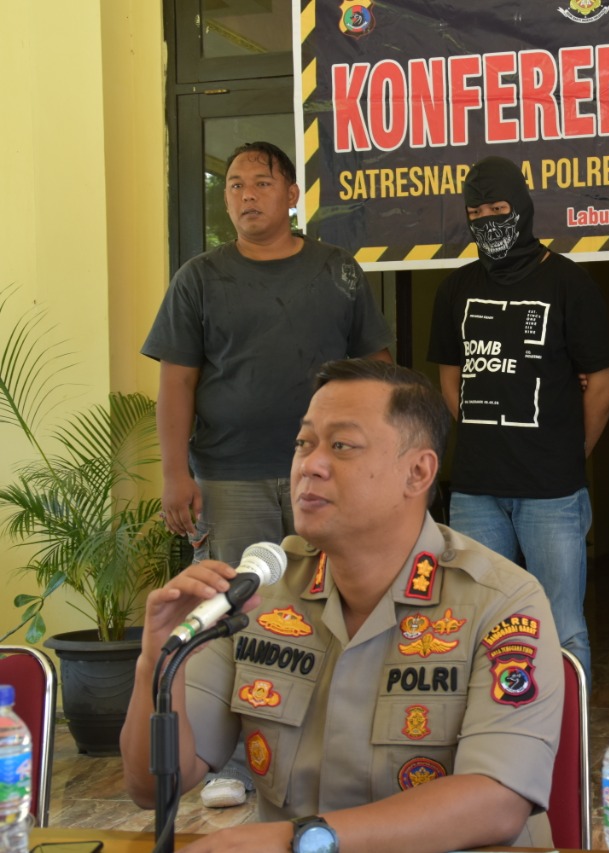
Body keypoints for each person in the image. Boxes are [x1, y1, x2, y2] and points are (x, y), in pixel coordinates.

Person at [120, 358, 565, 852]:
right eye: (303, 443)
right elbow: (151, 787)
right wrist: (157, 664)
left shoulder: (500, 602)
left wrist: (300, 841)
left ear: (417, 472)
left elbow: (495, 802)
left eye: (341, 446)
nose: (309, 464)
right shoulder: (263, 590)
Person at [141, 140, 393, 807]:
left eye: (259, 182)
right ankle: (232, 756)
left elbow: (377, 368)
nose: (245, 194)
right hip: (228, 475)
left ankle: (334, 746)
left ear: (290, 195)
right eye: (233, 184)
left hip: (328, 477)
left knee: (335, 608)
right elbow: (177, 380)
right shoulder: (200, 276)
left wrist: (373, 466)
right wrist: (175, 472)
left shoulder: (338, 271)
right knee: (235, 615)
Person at [427, 155, 609, 686]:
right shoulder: (455, 289)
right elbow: (450, 375)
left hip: (551, 493)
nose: (488, 219)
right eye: (477, 210)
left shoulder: (569, 284)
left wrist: (572, 450)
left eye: (499, 207)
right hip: (475, 491)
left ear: (524, 207)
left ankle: (566, 753)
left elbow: (602, 383)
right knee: (476, 623)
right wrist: (483, 431)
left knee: (563, 627)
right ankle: (495, 740)